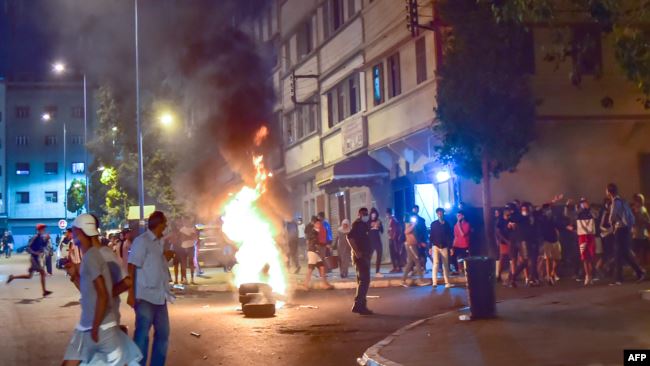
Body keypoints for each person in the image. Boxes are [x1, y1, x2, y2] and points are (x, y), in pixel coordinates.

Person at [62, 214, 141, 366]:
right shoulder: (90, 256)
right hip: (92, 323)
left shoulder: (104, 254)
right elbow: (90, 293)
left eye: (74, 231)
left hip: (101, 324)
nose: (72, 236)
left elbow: (126, 282)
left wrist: (104, 298)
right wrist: (74, 277)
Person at [128, 211, 176, 366]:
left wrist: (165, 257)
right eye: (164, 223)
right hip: (145, 297)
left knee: (163, 334)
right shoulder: (142, 241)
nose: (166, 226)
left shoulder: (159, 243)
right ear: (159, 224)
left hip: (160, 296)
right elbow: (132, 266)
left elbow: (156, 266)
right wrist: (131, 294)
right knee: (142, 335)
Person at [607, 183, 646, 285]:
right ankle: (624, 277)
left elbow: (613, 216)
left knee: (620, 253)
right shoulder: (622, 200)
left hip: (621, 230)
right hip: (624, 229)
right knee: (622, 254)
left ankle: (634, 274)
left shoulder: (615, 202)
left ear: (609, 191)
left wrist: (611, 223)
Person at [6, 224, 52, 297]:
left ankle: (12, 277)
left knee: (29, 276)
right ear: (39, 230)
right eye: (43, 229)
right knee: (42, 272)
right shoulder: (35, 237)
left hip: (36, 259)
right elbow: (28, 248)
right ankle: (44, 291)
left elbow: (43, 245)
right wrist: (35, 252)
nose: (44, 230)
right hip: (33, 259)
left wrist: (46, 239)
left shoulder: (40, 238)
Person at [347, 208, 373, 315]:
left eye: (367, 214)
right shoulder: (357, 224)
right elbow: (349, 237)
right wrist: (357, 251)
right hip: (361, 257)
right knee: (364, 281)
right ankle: (358, 305)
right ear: (359, 214)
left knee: (362, 281)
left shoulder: (365, 224)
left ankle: (361, 305)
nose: (366, 215)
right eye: (364, 214)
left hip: (365, 255)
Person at [304, 216, 334, 290]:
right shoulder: (314, 232)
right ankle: (305, 284)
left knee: (322, 267)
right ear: (314, 224)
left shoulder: (317, 231)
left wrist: (326, 245)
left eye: (319, 223)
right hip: (313, 252)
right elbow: (315, 242)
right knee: (310, 268)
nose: (319, 224)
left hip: (316, 253)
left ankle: (324, 284)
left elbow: (320, 241)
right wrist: (326, 245)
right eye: (317, 223)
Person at [539, 204, 562, 285]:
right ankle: (549, 277)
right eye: (547, 209)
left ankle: (552, 273)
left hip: (555, 240)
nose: (549, 211)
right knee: (548, 259)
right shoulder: (542, 219)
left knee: (558, 259)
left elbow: (558, 227)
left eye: (549, 209)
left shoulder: (553, 217)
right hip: (546, 240)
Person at [429, 208, 453, 288]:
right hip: (435, 246)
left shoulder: (447, 224)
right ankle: (434, 282)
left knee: (445, 265)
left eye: (441, 213)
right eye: (438, 213)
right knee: (435, 263)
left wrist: (451, 247)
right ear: (437, 214)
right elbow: (431, 236)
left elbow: (450, 236)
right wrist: (430, 247)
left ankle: (447, 282)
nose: (440, 214)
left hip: (445, 246)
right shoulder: (433, 224)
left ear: (443, 213)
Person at [576, 198, 597, 285]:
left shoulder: (591, 211)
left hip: (591, 235)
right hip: (582, 236)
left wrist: (589, 209)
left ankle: (591, 275)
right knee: (584, 258)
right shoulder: (579, 212)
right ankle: (587, 275)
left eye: (585, 202)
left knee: (592, 257)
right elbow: (572, 216)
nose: (584, 204)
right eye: (582, 203)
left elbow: (596, 216)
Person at [402, 215, 425, 287]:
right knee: (417, 261)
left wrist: (419, 243)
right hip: (411, 245)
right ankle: (421, 280)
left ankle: (403, 280)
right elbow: (406, 232)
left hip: (413, 245)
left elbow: (415, 235)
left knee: (410, 263)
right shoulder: (408, 224)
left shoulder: (411, 225)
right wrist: (413, 225)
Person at [495, 207, 514, 285]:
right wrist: (505, 241)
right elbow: (498, 233)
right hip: (504, 241)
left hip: (512, 241)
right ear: (505, 213)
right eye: (508, 214)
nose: (509, 215)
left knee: (512, 258)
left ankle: (511, 275)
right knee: (502, 258)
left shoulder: (511, 220)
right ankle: (499, 275)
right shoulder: (500, 221)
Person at [631, 193, 650, 265]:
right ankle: (638, 267)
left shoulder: (643, 209)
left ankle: (643, 266)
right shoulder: (633, 210)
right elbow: (632, 221)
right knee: (637, 253)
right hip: (636, 234)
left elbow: (648, 220)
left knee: (644, 251)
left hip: (643, 234)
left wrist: (644, 221)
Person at [178, 219, 198, 285]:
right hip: (183, 247)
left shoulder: (193, 228)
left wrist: (186, 236)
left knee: (191, 263)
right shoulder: (182, 229)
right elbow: (182, 238)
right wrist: (190, 236)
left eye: (187, 221)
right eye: (185, 221)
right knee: (183, 264)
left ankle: (192, 279)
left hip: (191, 247)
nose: (186, 222)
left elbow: (195, 237)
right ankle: (185, 279)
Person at [452, 211, 471, 275]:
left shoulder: (467, 224)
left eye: (459, 216)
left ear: (463, 216)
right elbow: (456, 236)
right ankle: (460, 271)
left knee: (465, 259)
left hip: (465, 245)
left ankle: (466, 273)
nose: (458, 217)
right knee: (458, 259)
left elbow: (462, 234)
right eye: (457, 216)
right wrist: (453, 246)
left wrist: (459, 225)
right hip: (457, 245)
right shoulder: (455, 226)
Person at [411, 205, 428, 270]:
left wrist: (424, 240)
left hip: (421, 239)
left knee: (422, 254)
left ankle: (423, 267)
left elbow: (424, 230)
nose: (415, 210)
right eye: (414, 209)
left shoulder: (421, 220)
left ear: (418, 210)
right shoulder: (409, 219)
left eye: (416, 209)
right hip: (412, 240)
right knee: (413, 255)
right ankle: (413, 268)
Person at [368, 208, 384, 277]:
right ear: (370, 214)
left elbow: (382, 231)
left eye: (375, 214)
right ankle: (366, 271)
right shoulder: (368, 222)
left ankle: (377, 272)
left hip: (378, 241)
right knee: (369, 257)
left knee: (379, 255)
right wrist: (370, 226)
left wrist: (379, 225)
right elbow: (365, 231)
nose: (373, 215)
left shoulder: (378, 221)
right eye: (372, 214)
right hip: (370, 241)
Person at [386, 208, 403, 273]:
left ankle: (398, 267)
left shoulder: (394, 220)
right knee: (393, 254)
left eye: (387, 214)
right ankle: (395, 267)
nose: (386, 216)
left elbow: (396, 230)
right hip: (392, 239)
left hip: (394, 240)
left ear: (389, 214)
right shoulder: (391, 220)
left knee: (395, 254)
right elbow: (391, 229)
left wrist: (393, 238)